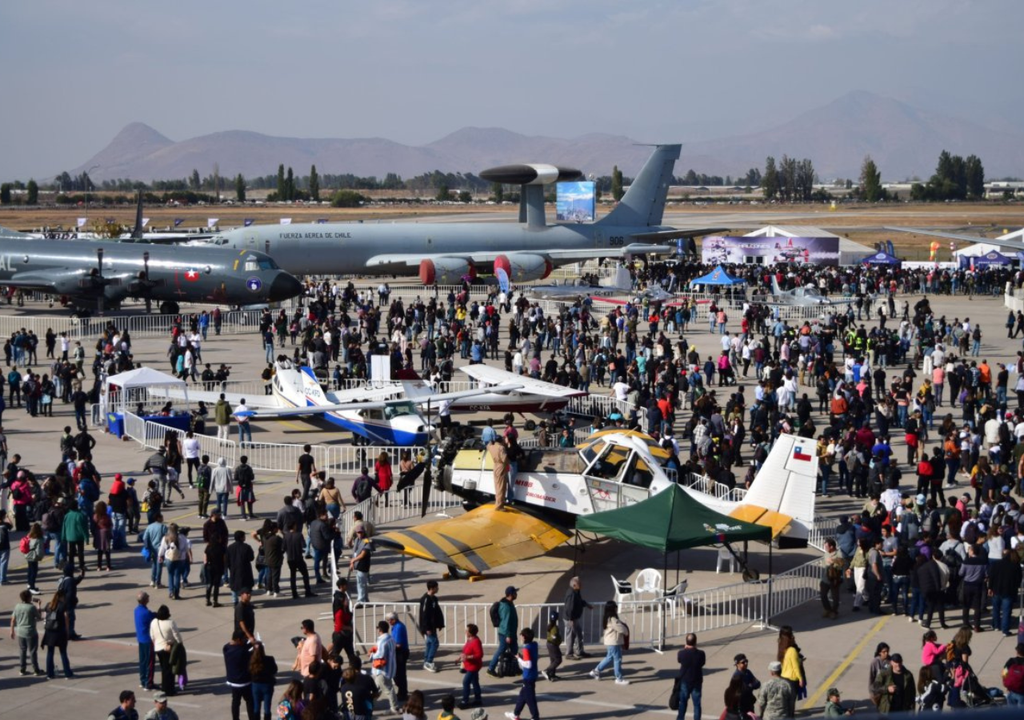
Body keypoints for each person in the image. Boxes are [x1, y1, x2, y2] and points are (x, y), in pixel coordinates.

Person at [588, 600, 630, 684]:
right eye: (615, 607)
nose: (616, 608)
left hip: (610, 641)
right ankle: (618, 678)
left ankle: (596, 671)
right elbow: (621, 628)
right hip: (614, 642)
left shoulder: (607, 618)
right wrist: (626, 631)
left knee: (609, 658)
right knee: (617, 659)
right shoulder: (613, 619)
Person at [505, 627, 541, 720]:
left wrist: (519, 659)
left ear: (524, 637)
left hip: (528, 676)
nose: (520, 637)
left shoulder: (526, 649)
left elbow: (528, 664)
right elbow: (531, 657)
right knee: (522, 696)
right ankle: (515, 714)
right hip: (533, 674)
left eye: (521, 635)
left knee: (530, 698)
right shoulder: (534, 644)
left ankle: (535, 717)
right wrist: (523, 657)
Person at [370, 620, 401, 715]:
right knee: (377, 688)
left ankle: (394, 708)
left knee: (388, 689)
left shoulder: (382, 641)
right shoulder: (391, 638)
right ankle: (370, 705)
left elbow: (380, 655)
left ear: (380, 629)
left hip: (381, 670)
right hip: (389, 669)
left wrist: (371, 654)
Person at [41, 586, 73, 679]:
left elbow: (44, 616)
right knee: (63, 653)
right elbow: (66, 618)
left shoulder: (49, 605)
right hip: (60, 632)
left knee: (50, 653)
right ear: (62, 597)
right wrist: (67, 631)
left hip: (49, 632)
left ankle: (50, 674)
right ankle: (68, 673)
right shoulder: (63, 605)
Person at [149, 605, 182, 695]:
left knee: (164, 668)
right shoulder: (170, 623)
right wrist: (179, 643)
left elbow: (152, 635)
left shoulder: (154, 622)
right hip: (168, 648)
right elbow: (177, 635)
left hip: (158, 648)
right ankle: (169, 689)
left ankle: (165, 687)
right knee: (169, 670)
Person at [487, 586, 519, 677]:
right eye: (515, 593)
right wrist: (508, 635)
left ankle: (516, 668)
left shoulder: (509, 603)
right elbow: (506, 622)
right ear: (510, 595)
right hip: (506, 633)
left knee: (514, 650)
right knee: (501, 650)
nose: (516, 594)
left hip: (511, 633)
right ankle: (491, 669)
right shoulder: (506, 607)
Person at [10, 588, 43, 675]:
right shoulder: (31, 607)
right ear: (28, 598)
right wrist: (39, 606)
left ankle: (22, 669)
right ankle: (36, 670)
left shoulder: (17, 606)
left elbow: (13, 619)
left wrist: (12, 631)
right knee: (32, 651)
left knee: (22, 650)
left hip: (20, 632)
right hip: (31, 632)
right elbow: (39, 617)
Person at [224, 630, 255, 720]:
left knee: (235, 702)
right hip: (244, 681)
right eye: (243, 639)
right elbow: (251, 654)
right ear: (238, 639)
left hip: (233, 681)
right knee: (249, 701)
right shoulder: (243, 652)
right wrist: (253, 644)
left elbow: (231, 645)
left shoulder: (226, 649)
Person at [676, 632, 706, 720]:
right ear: (695, 642)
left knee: (683, 703)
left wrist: (685, 649)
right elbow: (702, 663)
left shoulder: (681, 653)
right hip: (696, 681)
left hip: (685, 681)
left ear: (686, 642)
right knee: (697, 704)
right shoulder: (701, 654)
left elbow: (679, 660)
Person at [419, 580, 445, 672]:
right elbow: (424, 615)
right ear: (431, 588)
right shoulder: (426, 599)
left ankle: (426, 661)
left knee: (430, 644)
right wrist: (426, 628)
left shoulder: (434, 599)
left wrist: (440, 624)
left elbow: (437, 612)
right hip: (428, 627)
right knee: (435, 643)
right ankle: (429, 662)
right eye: (436, 587)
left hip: (433, 626)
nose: (438, 589)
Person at [778, 626, 805, 714]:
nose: (793, 636)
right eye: (791, 635)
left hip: (783, 676)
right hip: (792, 679)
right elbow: (795, 666)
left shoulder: (781, 647)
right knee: (791, 702)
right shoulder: (792, 650)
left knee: (785, 701)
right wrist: (800, 678)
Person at [284, 523, 314, 599]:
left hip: (290, 558)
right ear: (294, 526)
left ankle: (294, 593)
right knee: (305, 574)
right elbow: (304, 545)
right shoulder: (299, 535)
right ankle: (307, 591)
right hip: (298, 558)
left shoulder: (286, 536)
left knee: (292, 575)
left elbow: (283, 547)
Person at [562, 575, 590, 659]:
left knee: (579, 634)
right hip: (571, 619)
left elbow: (579, 601)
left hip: (574, 618)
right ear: (574, 585)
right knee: (571, 636)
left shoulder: (576, 592)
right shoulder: (571, 594)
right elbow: (569, 608)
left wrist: (586, 604)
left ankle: (579, 651)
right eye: (579, 584)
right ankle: (569, 654)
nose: (581, 585)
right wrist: (571, 619)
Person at [387, 611, 411, 702]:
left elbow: (398, 644)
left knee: (399, 674)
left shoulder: (399, 627)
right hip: (399, 652)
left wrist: (388, 646)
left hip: (401, 652)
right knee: (399, 674)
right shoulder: (395, 626)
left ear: (394, 619)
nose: (389, 622)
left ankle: (403, 693)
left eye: (390, 620)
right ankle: (402, 691)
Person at [459, 623, 484, 710]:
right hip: (469, 665)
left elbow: (479, 655)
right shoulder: (470, 639)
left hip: (474, 666)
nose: (465, 632)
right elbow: (465, 650)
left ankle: (465, 701)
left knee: (466, 682)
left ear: (470, 632)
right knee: (475, 682)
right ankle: (478, 699)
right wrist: (460, 657)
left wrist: (467, 657)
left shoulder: (476, 642)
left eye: (467, 630)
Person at [135, 592, 156, 690]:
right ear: (145, 600)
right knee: (149, 662)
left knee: (143, 661)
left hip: (141, 639)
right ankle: (148, 683)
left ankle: (143, 680)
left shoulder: (137, 610)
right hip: (148, 640)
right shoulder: (146, 613)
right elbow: (152, 617)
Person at [349, 526, 372, 607]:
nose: (360, 534)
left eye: (361, 532)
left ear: (364, 532)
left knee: (361, 584)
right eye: (358, 532)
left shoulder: (366, 541)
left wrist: (353, 560)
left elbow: (362, 555)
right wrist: (352, 562)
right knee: (362, 583)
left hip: (363, 564)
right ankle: (365, 600)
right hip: (357, 564)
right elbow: (354, 552)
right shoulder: (357, 540)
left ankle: (361, 601)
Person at [489, 437, 510, 511]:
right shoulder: (501, 448)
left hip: (495, 466)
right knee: (501, 486)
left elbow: (488, 444)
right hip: (501, 466)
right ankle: (499, 506)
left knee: (497, 485)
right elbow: (504, 459)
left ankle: (498, 502)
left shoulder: (491, 447)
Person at [542, 611, 563, 682]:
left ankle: (552, 674)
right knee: (558, 659)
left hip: (549, 644)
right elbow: (554, 637)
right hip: (553, 645)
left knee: (553, 660)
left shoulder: (549, 625)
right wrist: (557, 640)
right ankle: (547, 670)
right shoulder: (554, 628)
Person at [1002, 642, 1024, 706]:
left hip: (1011, 691)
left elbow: (1004, 673)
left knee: (1011, 711)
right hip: (1022, 693)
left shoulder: (1011, 660)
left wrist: (1008, 684)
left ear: (1017, 652)